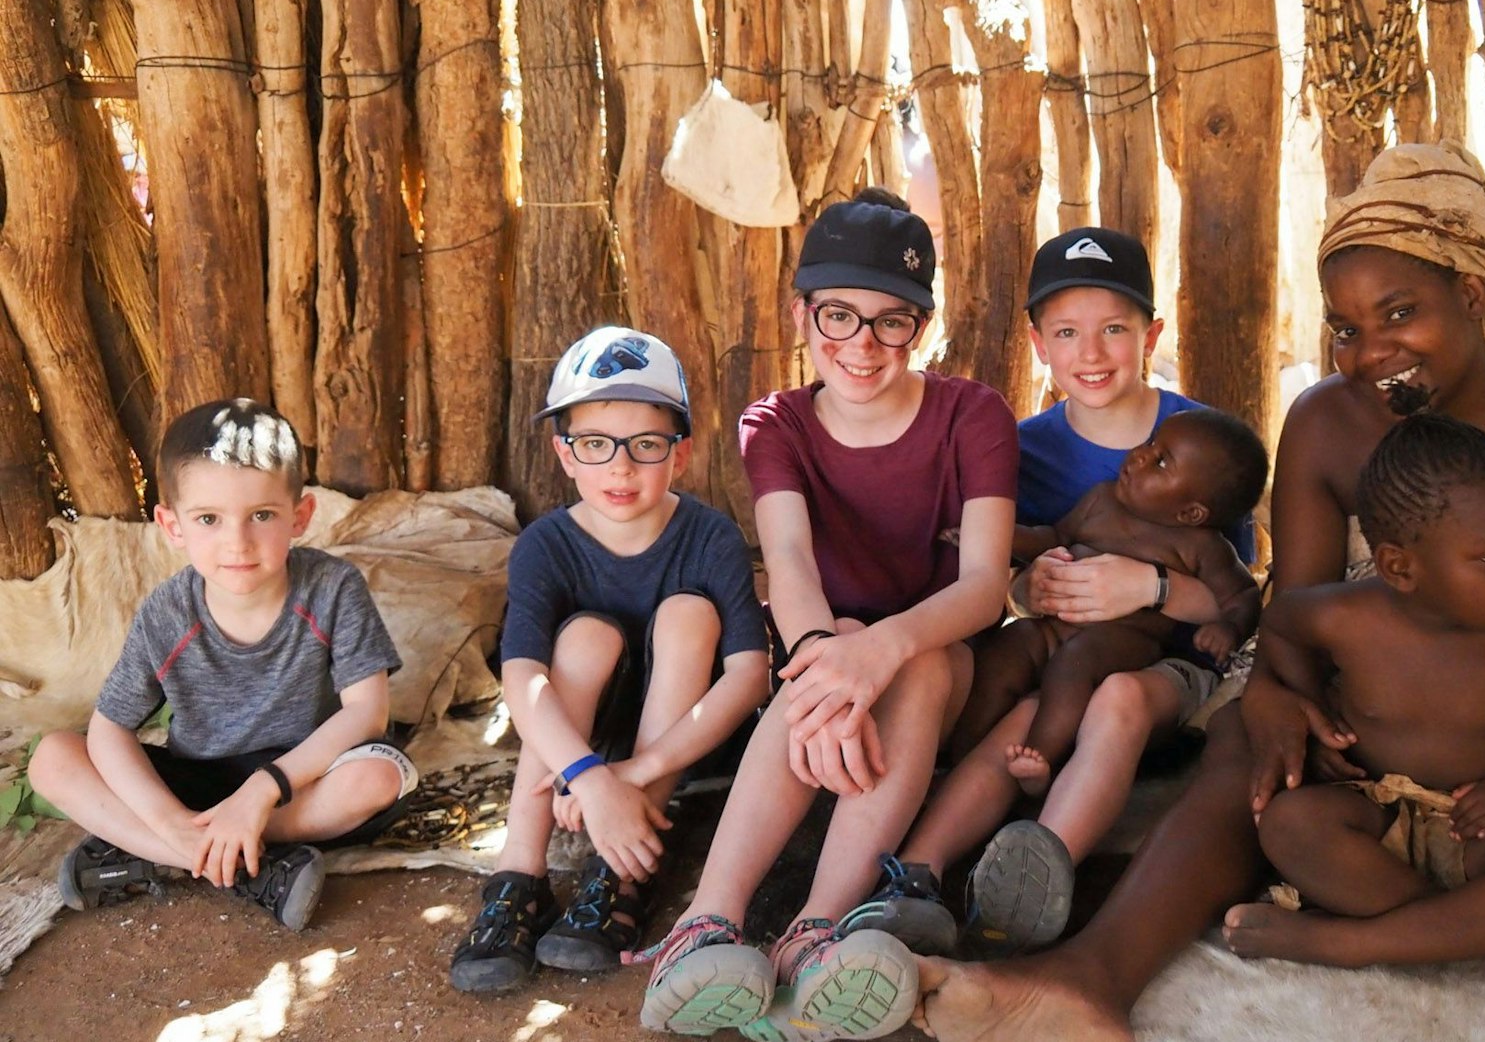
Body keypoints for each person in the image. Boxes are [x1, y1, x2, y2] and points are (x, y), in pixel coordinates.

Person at [912, 142, 1485, 1041]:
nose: (1371, 352)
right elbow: (1295, 608)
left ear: (1474, 295)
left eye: (1400, 312)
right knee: (1249, 756)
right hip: (1380, 706)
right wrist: (1285, 697)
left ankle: (1425, 899)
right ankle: (1089, 976)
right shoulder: (1328, 421)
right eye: (1344, 327)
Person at [636, 191, 1017, 1040]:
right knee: (822, 659)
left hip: (936, 647)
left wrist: (872, 656)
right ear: (802, 311)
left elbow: (986, 584)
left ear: (921, 325)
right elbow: (791, 563)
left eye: (892, 322)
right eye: (839, 315)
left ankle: (817, 930)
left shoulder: (973, 415)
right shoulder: (776, 423)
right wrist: (823, 663)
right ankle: (705, 924)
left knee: (909, 664)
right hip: (824, 639)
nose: (862, 345)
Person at [852, 229, 1266, 960]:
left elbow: (1234, 598)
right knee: (1020, 724)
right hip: (1063, 653)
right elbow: (1008, 566)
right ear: (1039, 344)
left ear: (1151, 334)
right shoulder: (1024, 448)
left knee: (1117, 702)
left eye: (1115, 330)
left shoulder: (1201, 443)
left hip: (1163, 670)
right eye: (1069, 333)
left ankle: (1043, 868)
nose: (1094, 353)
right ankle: (917, 873)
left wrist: (1150, 585)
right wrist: (1028, 585)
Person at [447, 327, 771, 993]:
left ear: (679, 455)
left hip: (683, 740)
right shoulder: (545, 544)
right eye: (596, 445)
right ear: (564, 454)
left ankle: (623, 870)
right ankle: (519, 877)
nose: (620, 468)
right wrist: (592, 779)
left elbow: (749, 674)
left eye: (645, 446)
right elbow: (520, 680)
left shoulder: (710, 536)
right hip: (579, 744)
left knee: (689, 614)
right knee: (583, 639)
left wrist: (639, 770)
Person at [1234, 412, 1485, 975]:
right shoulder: (1345, 616)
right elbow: (1284, 625)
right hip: (1371, 810)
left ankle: (1341, 944)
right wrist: (1301, 702)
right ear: (1400, 566)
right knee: (1288, 825)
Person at [30, 398, 416, 933]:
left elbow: (367, 714)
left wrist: (260, 793)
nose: (237, 542)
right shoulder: (167, 613)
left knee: (377, 777)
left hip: (298, 781)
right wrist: (173, 822)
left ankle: (151, 852)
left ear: (300, 516)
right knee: (52, 757)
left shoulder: (332, 588)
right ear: (172, 525)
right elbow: (108, 729)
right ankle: (222, 859)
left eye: (262, 515)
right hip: (199, 783)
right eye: (208, 519)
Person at [956, 407, 1266, 799]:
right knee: (1006, 648)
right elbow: (1053, 535)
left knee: (1075, 664)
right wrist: (993, 534)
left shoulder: (1202, 547)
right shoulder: (1100, 500)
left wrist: (1228, 627)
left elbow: (1243, 594)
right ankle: (958, 756)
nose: (1140, 455)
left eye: (1161, 461)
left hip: (1122, 640)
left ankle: (1040, 757)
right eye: (1152, 442)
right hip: (1052, 624)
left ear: (1191, 512)